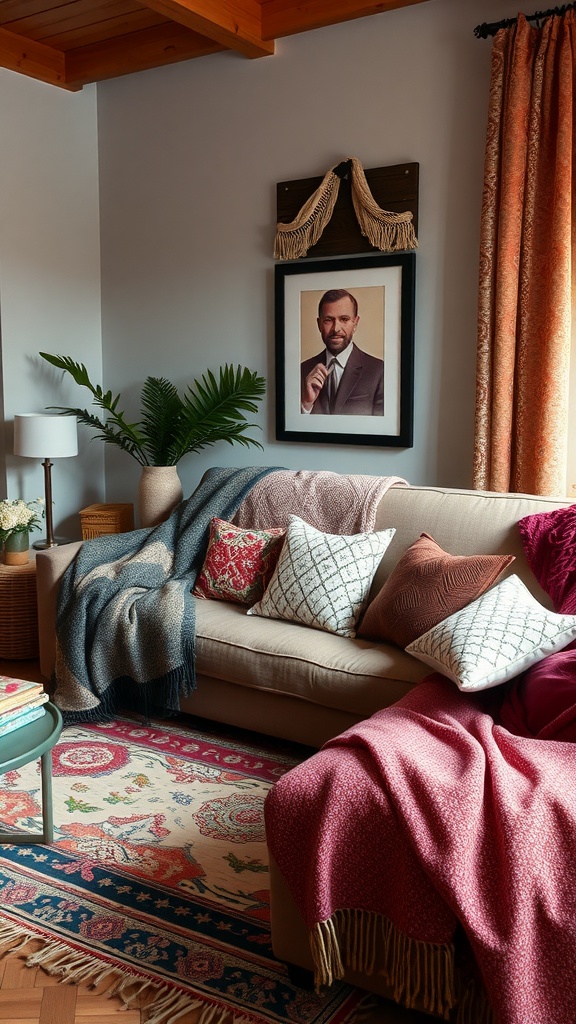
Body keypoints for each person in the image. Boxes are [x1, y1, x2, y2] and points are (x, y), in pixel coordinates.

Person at [300, 289, 384, 416]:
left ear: (355, 323)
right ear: (319, 324)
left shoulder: (379, 370)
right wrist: (305, 404)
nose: (336, 328)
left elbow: (382, 430)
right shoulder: (302, 370)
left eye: (344, 319)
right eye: (328, 320)